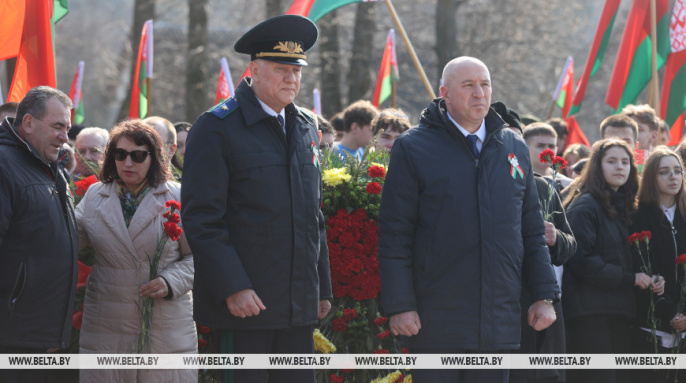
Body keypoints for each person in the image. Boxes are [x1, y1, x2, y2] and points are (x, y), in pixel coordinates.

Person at [378, 57, 559, 383]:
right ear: (445, 93)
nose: (480, 93)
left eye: (485, 84)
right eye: (468, 85)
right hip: (436, 321)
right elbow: (395, 233)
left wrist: (543, 295)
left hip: (499, 320)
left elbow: (531, 229)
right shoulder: (414, 147)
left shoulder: (513, 145)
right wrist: (400, 304)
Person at [181, 15, 331, 383]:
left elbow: (313, 215)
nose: (291, 79)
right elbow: (203, 219)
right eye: (281, 69)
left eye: (296, 71)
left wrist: (321, 286)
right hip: (246, 305)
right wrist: (233, 286)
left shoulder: (306, 126)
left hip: (298, 304)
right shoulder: (217, 127)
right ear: (253, 71)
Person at [75, 119, 196, 382]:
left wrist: (170, 280)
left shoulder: (178, 195)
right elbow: (67, 243)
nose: (128, 163)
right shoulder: (95, 196)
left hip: (165, 325)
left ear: (154, 157)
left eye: (138, 156)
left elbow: (200, 256)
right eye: (120, 154)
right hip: (106, 325)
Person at [562, 139, 662, 383]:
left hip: (617, 311)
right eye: (612, 161)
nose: (620, 167)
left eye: (626, 162)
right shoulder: (585, 205)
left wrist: (651, 277)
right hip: (590, 314)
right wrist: (630, 279)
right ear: (597, 166)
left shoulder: (622, 206)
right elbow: (581, 260)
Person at [0, 86, 77, 383]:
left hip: (47, 339)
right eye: (57, 126)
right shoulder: (4, 166)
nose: (63, 137)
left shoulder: (51, 169)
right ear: (29, 123)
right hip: (14, 341)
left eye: (67, 128)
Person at [630, 147, 686, 381]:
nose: (673, 177)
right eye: (664, 172)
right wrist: (670, 313)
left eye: (677, 171)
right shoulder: (638, 215)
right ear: (651, 177)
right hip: (650, 326)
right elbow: (643, 266)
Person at [523, 122, 572, 189]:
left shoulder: (566, 185)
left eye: (551, 146)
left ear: (556, 150)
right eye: (541, 146)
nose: (547, 151)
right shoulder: (516, 181)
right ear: (525, 148)